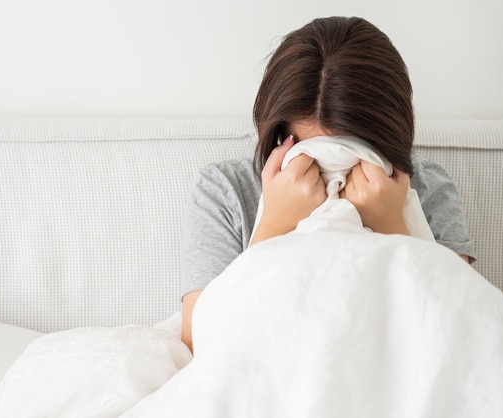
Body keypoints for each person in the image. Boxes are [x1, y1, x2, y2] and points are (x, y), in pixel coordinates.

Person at [180, 16, 475, 352]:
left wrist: (394, 227)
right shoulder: (226, 190)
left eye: (353, 153)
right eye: (307, 152)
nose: (330, 173)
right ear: (278, 137)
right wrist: (273, 227)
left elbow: (465, 333)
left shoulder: (427, 187)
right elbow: (196, 344)